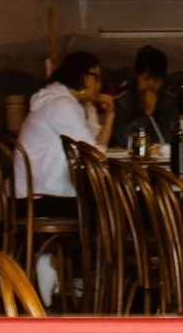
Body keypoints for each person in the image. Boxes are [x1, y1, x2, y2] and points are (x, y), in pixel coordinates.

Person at [12, 52, 111, 306]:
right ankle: (79, 278)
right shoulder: (62, 106)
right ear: (81, 76)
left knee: (98, 205)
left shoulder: (52, 101)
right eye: (96, 78)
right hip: (42, 199)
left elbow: (89, 151)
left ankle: (67, 272)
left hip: (34, 194)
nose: (98, 85)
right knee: (107, 209)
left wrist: (109, 117)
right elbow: (92, 153)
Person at [108, 46, 178, 156]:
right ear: (136, 76)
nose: (150, 85)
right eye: (145, 79)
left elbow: (170, 138)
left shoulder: (169, 102)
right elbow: (124, 140)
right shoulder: (122, 102)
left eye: (156, 80)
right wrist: (146, 114)